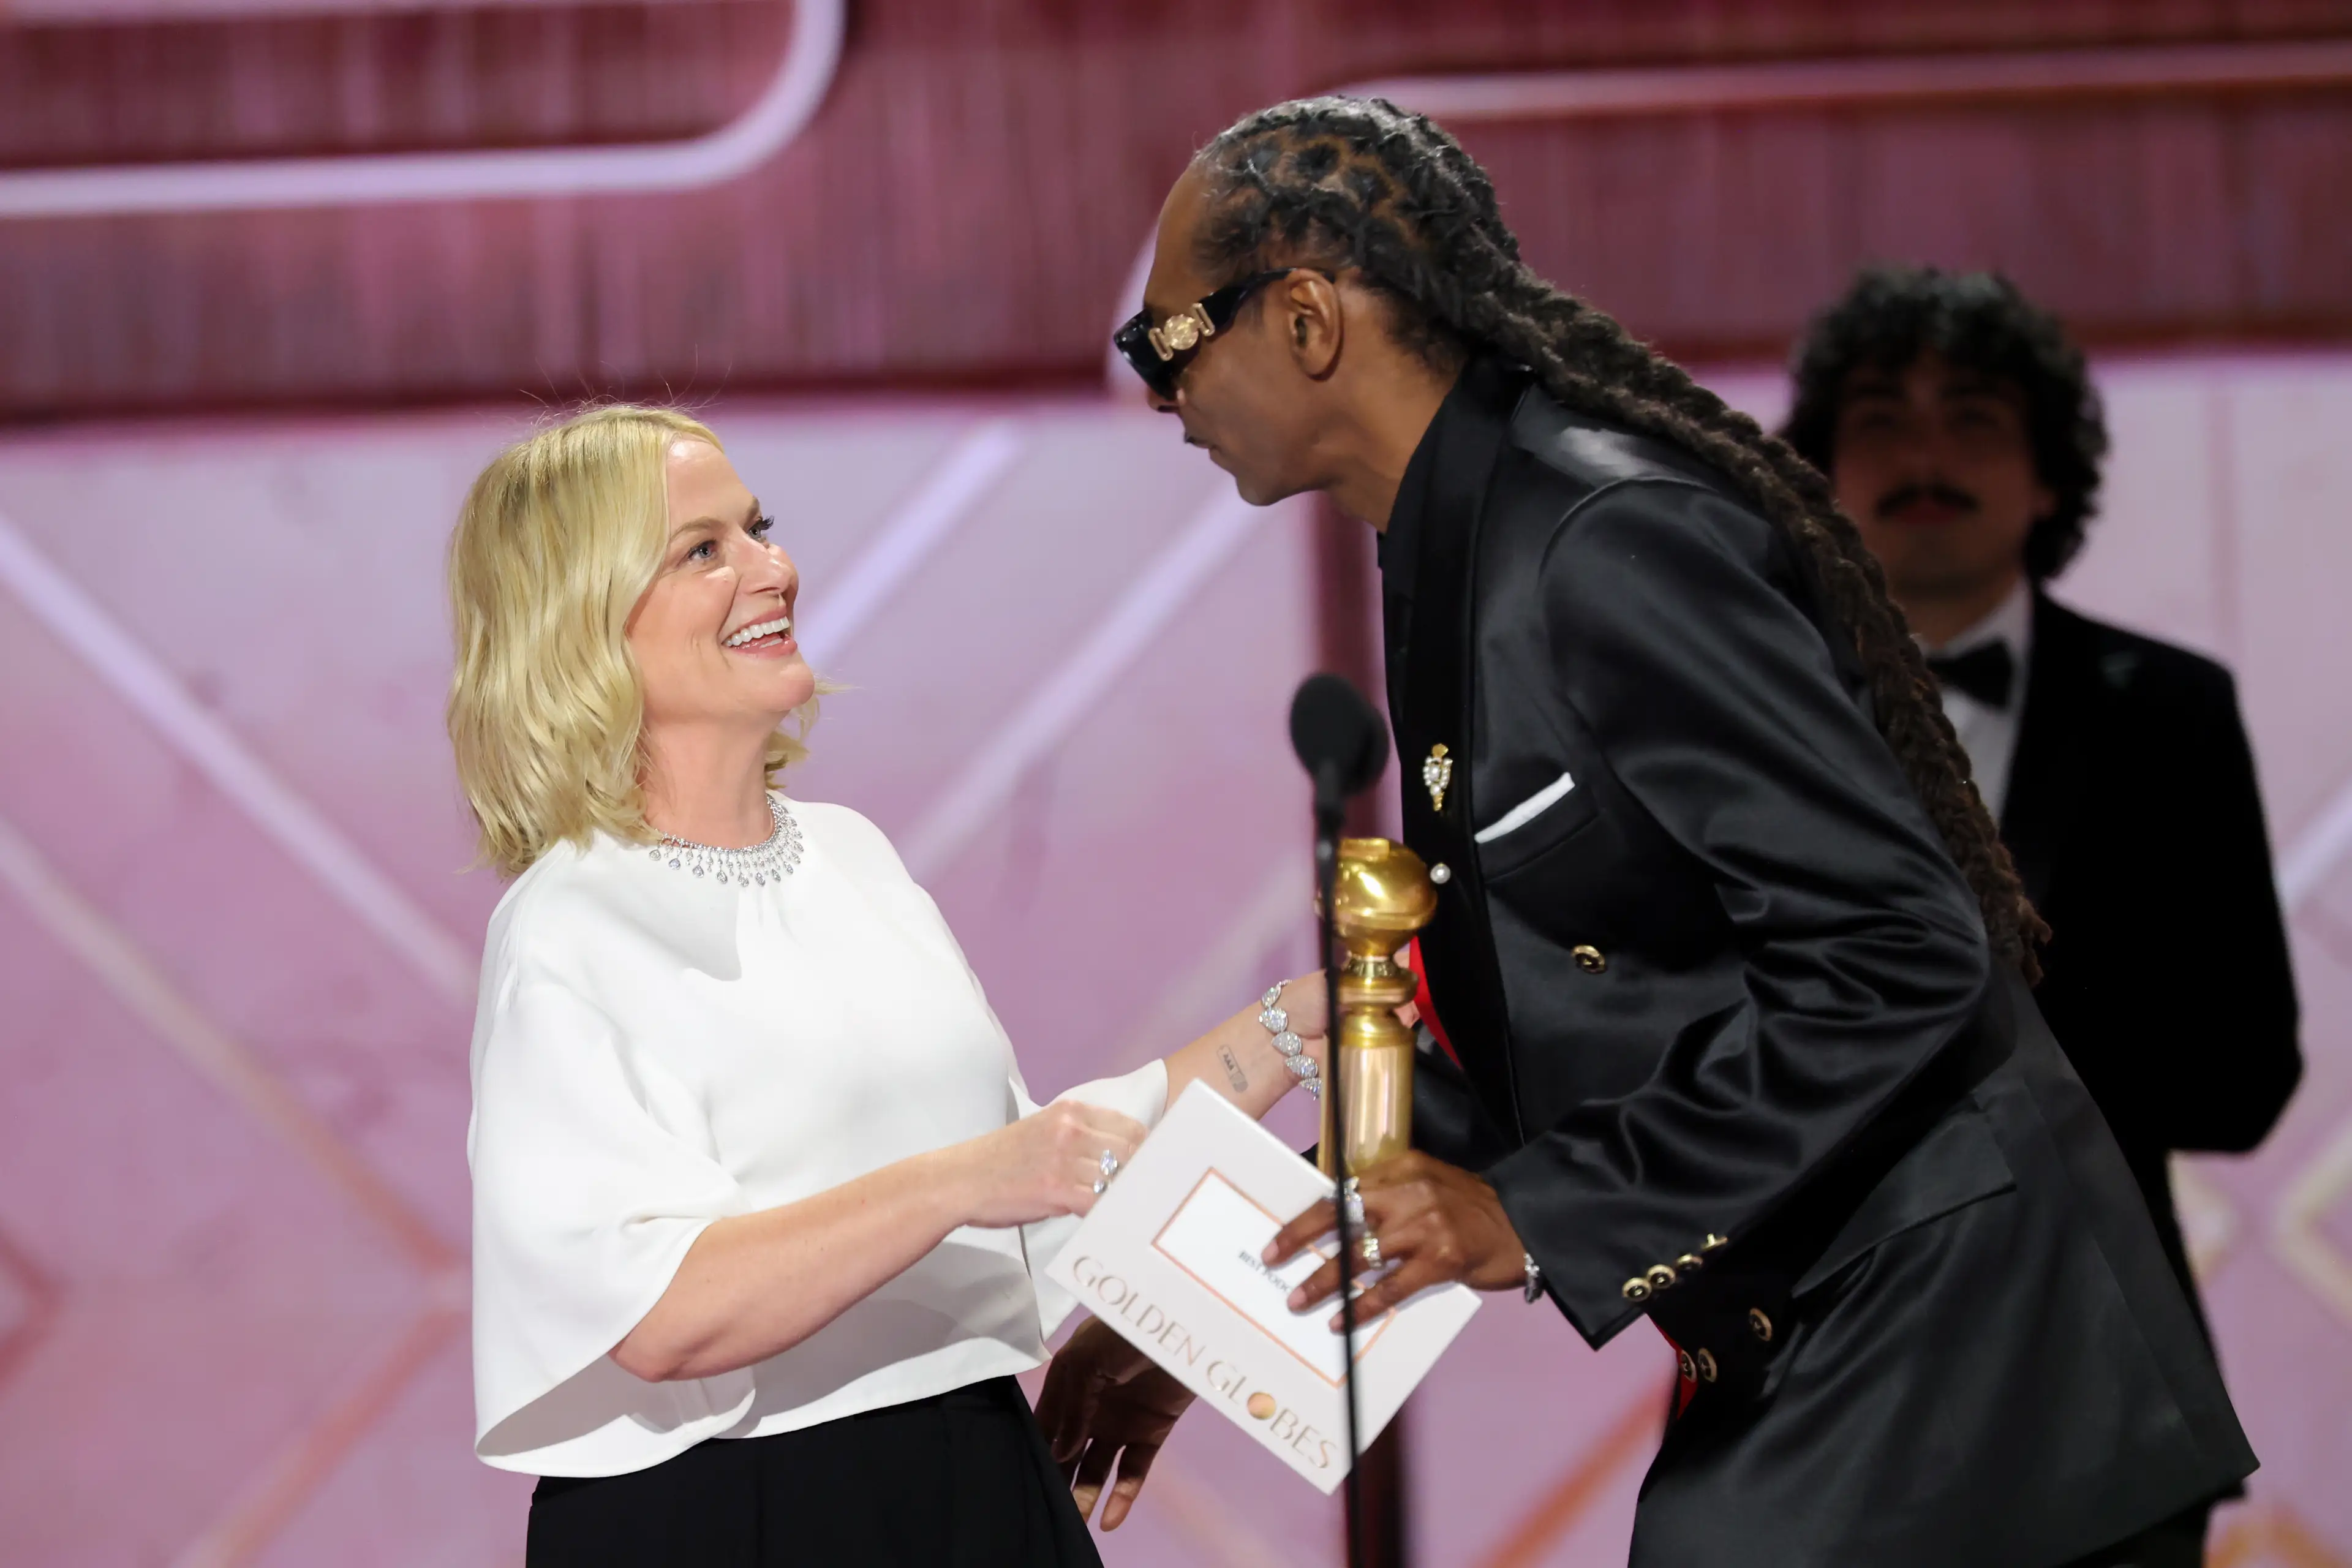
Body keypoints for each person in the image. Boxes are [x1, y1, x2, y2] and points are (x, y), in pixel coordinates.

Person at [1038, 98, 2255, 1566]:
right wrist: (1208, 1304)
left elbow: (1897, 948)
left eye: (1166, 340)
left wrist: (1531, 1212)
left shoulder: (1599, 537)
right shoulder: (1457, 539)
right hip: (1831, 1341)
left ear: (1306, 318)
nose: (1159, 391)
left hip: (1972, 1365)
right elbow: (1535, 1008)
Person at [446, 405, 1332, 1566]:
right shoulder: (569, 924)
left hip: (977, 1471)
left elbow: (1041, 1170)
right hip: (743, 1514)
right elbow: (653, 1315)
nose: (773, 569)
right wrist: (969, 1180)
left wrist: (1294, 1028)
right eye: (703, 550)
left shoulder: (850, 853)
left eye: (759, 527)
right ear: (582, 626)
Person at [1781, 265, 2302, 1561]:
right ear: (1819, 474)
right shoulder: (1747, 716)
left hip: (2106, 1387)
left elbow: (2245, 1073)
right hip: (1810, 1384)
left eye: (1973, 418)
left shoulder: (2172, 712)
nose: (1927, 458)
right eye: (1883, 422)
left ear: (2050, 476)